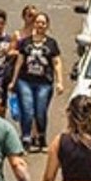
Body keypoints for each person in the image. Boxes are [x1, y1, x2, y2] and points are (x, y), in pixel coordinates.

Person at [10, 13, 64, 152]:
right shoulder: (26, 42)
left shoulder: (52, 43)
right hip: (25, 81)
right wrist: (13, 81)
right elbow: (19, 62)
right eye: (38, 22)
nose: (40, 25)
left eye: (43, 23)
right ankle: (26, 138)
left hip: (44, 82)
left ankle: (41, 137)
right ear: (34, 24)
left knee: (40, 111)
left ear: (47, 25)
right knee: (27, 110)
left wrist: (59, 82)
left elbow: (57, 62)